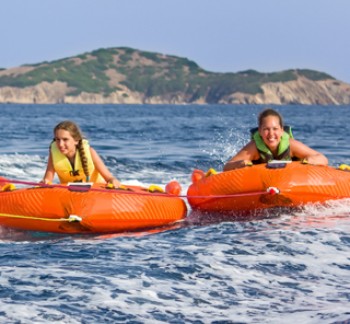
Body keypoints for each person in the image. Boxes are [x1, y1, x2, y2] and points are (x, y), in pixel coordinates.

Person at [223, 108, 328, 171]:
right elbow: (227, 167)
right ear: (259, 131)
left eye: (275, 129)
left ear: (282, 131)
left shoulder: (291, 145)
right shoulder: (253, 148)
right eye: (266, 129)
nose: (271, 134)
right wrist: (240, 164)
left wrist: (310, 160)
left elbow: (322, 158)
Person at [41, 120, 121, 188]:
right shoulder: (54, 154)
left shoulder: (90, 152)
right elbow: (48, 179)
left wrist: (113, 181)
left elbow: (109, 178)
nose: (61, 144)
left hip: (96, 193)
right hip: (69, 194)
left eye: (65, 139)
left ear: (76, 140)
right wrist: (45, 182)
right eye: (57, 140)